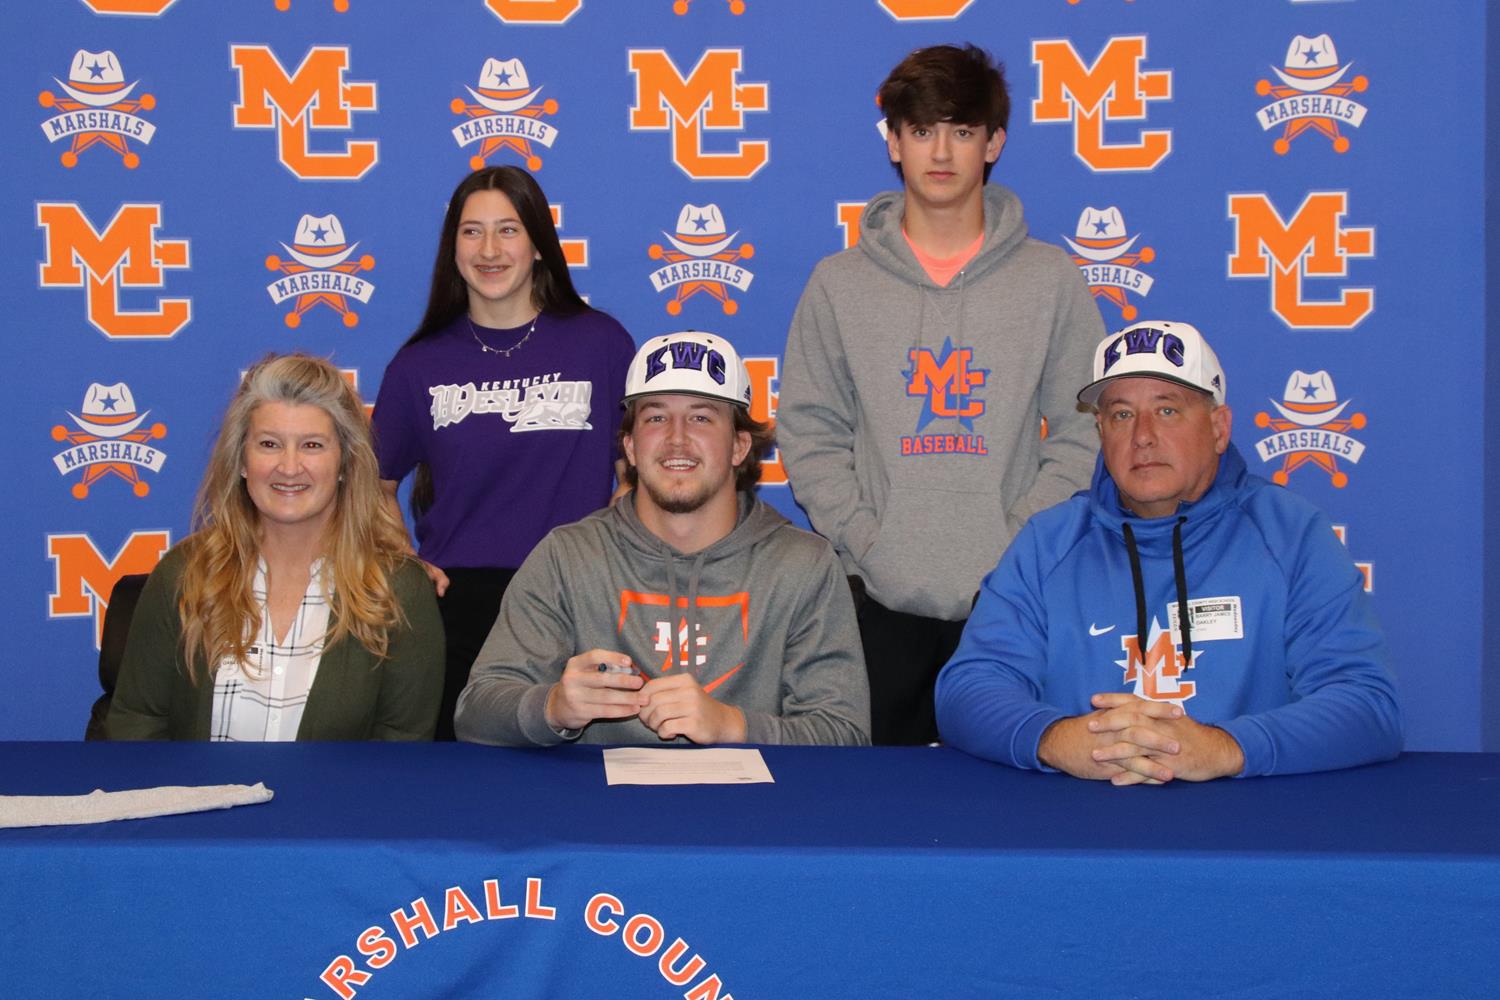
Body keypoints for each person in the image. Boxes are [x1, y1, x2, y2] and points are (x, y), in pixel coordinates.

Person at [776, 44, 1104, 745]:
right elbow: (809, 430)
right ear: (893, 142)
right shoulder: (839, 283)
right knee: (874, 818)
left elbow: (1083, 430)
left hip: (1014, 596)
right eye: (922, 131)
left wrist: (1020, 543)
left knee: (1009, 815)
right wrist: (870, 540)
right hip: (874, 599)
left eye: (961, 130)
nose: (942, 152)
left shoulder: (1051, 281)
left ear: (995, 143)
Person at [935, 321, 1402, 783]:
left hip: (1249, 831)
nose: (1142, 436)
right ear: (1100, 431)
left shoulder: (1291, 533)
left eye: (1167, 411)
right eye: (1121, 414)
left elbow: (1367, 704)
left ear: (1219, 428)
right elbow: (967, 689)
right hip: (1077, 828)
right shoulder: (1049, 542)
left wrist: (1226, 749)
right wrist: (1058, 739)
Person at [454, 331, 870, 747]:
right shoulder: (568, 556)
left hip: (752, 809)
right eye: (655, 417)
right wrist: (553, 707)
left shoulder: (803, 564)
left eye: (701, 417)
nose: (676, 437)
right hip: (600, 808)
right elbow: (474, 713)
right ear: (631, 447)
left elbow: (845, 734)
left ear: (740, 446)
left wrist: (730, 726)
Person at [373, 166, 635, 740]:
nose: (489, 250)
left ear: (539, 243)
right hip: (458, 608)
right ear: (453, 249)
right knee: (464, 784)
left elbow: (634, 470)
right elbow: (372, 482)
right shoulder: (419, 364)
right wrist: (402, 560)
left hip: (579, 596)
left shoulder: (601, 343)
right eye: (472, 232)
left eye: (508, 230)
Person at [106, 354, 444, 741]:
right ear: (242, 461)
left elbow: (401, 755)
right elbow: (136, 724)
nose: (288, 466)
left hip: (335, 804)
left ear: (345, 465)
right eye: (269, 444)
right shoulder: (183, 574)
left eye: (312, 445)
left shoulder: (400, 589)